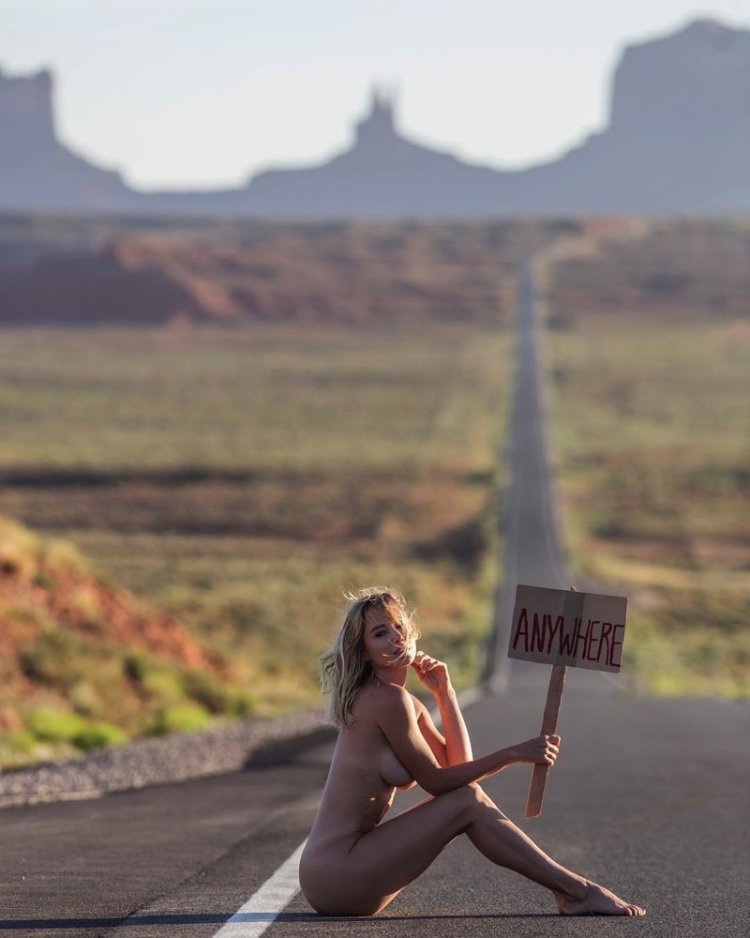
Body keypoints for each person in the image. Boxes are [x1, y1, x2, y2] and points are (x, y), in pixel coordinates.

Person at [299, 586, 645, 918]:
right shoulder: (387, 700)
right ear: (363, 651)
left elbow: (458, 768)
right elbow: (437, 782)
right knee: (468, 801)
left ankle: (574, 891)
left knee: (467, 799)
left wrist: (445, 695)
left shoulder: (405, 703)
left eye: (399, 627)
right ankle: (577, 891)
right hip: (339, 871)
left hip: (347, 875)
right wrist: (514, 753)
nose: (396, 638)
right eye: (380, 633)